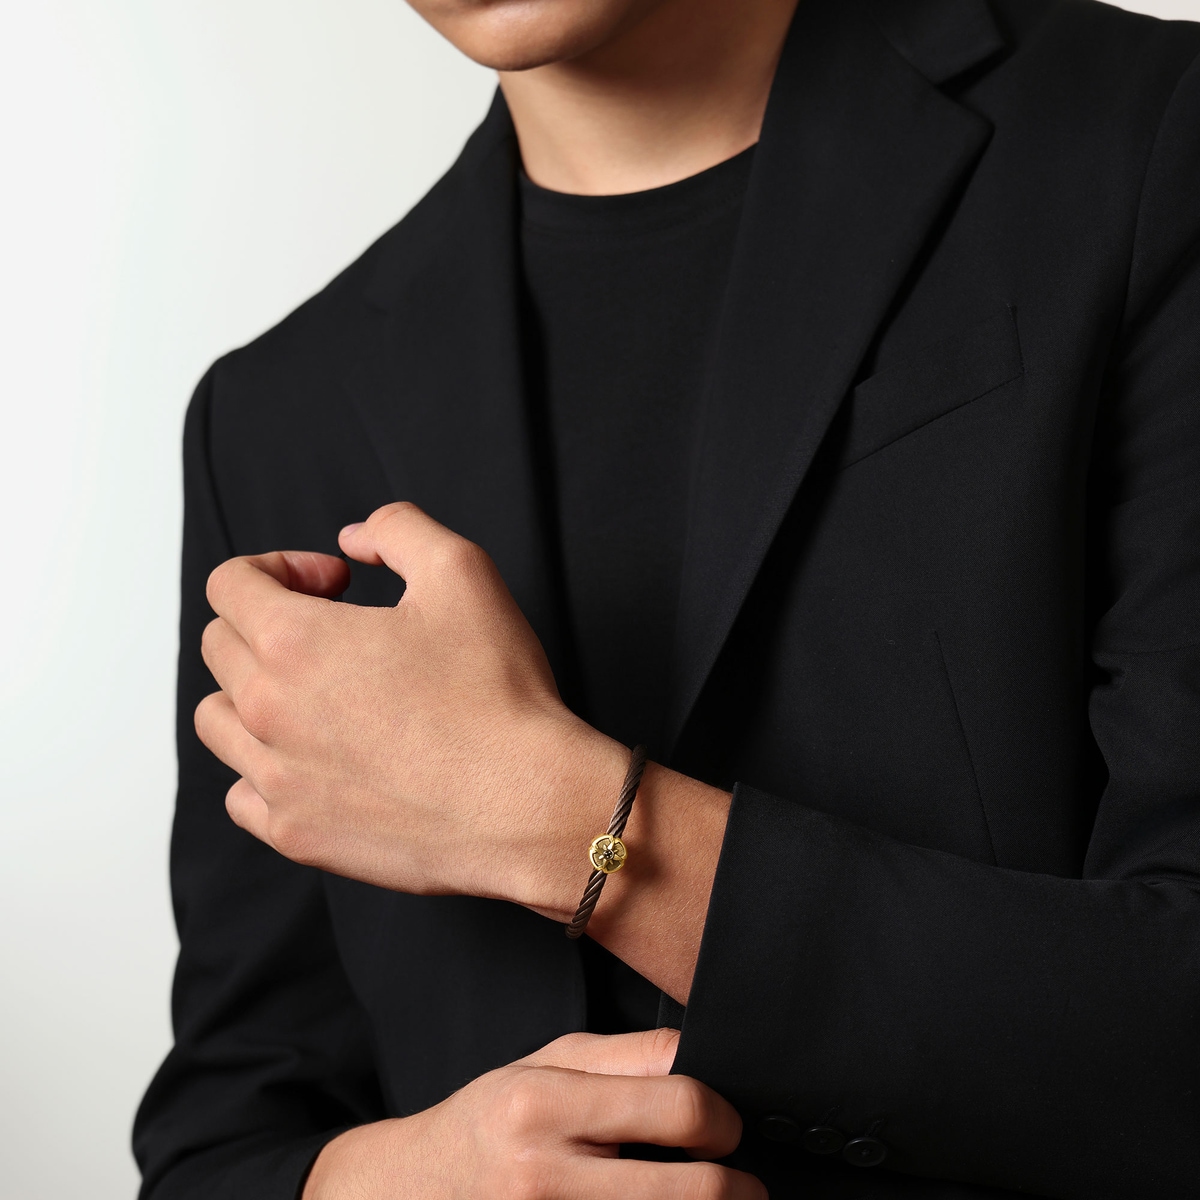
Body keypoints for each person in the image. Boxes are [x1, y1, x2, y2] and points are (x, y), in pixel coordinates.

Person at [133, 0, 1200, 1195]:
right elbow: (220, 1137)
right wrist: (394, 1181)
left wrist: (567, 824)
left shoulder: (1147, 133)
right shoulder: (276, 414)